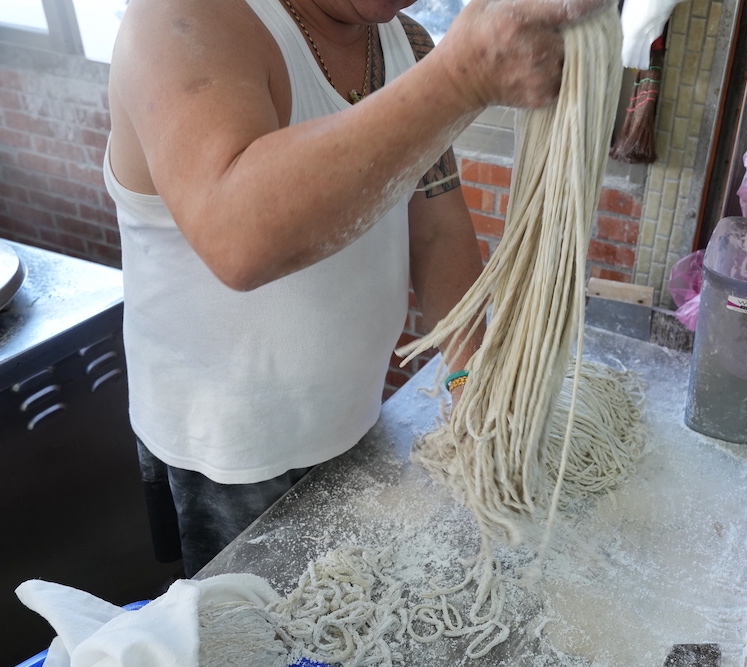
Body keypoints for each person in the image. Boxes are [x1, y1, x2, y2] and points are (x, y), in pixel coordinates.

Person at [104, 0, 609, 577]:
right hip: (228, 458)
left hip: (356, 420)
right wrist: (460, 76)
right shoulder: (182, 20)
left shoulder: (405, 43)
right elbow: (237, 239)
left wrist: (471, 378)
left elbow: (436, 228)